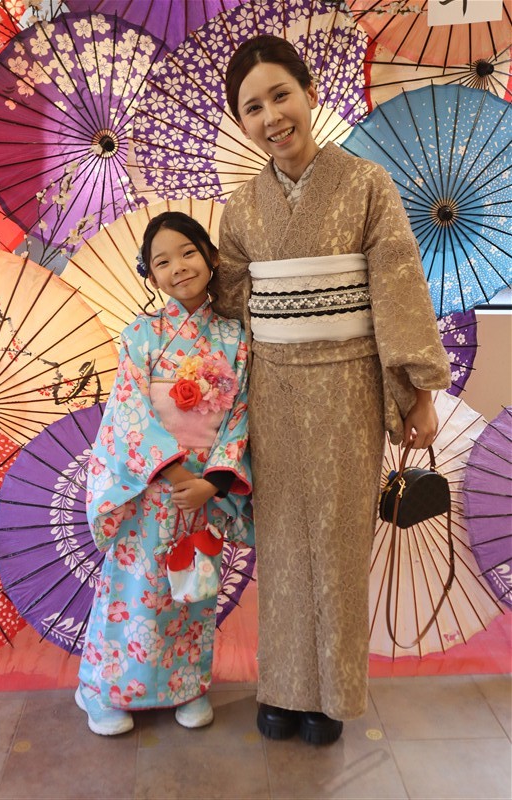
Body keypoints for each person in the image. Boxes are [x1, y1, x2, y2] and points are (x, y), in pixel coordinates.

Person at [212, 35, 451, 746]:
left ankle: (333, 692)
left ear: (310, 93)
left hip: (349, 387)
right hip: (273, 389)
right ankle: (285, 689)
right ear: (242, 121)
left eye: (280, 95)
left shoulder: (366, 184)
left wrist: (419, 391)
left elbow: (397, 286)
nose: (271, 116)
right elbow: (231, 304)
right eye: (252, 107)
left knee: (341, 541)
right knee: (282, 542)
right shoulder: (241, 207)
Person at [76, 212, 253, 736]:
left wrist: (213, 483)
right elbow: (128, 413)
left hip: (204, 490)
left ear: (212, 257)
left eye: (188, 252)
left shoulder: (236, 337)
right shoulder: (141, 335)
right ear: (151, 276)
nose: (178, 267)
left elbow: (241, 412)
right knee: (135, 591)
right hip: (149, 486)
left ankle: (186, 688)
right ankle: (102, 690)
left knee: (192, 591)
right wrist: (176, 476)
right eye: (162, 261)